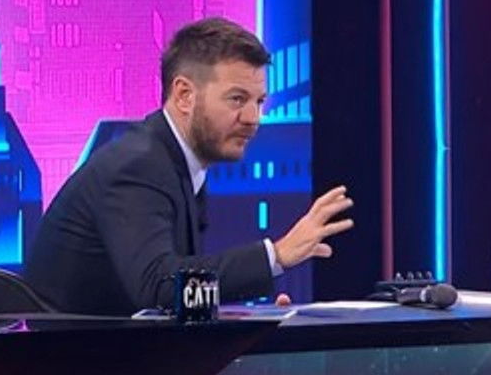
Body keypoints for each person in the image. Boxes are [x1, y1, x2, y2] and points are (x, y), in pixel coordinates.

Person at [24, 17, 352, 315]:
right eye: (237, 99)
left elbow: (175, 295)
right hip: (70, 358)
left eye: (259, 101)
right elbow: (159, 286)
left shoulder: (177, 163)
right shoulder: (138, 166)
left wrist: (257, 317)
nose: (254, 118)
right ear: (184, 95)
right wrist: (276, 255)